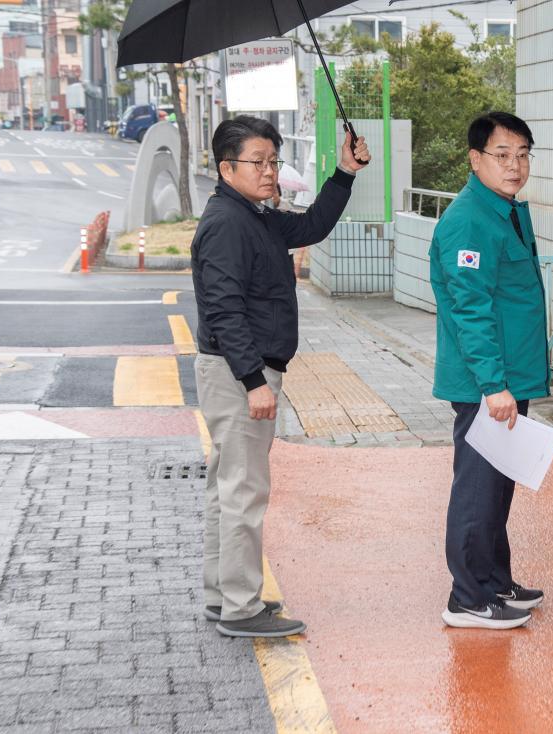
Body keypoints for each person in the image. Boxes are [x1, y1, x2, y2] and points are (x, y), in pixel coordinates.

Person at [192, 116, 370, 638]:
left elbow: (313, 226)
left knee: (227, 489)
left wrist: (344, 172)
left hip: (238, 370)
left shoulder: (256, 215)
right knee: (244, 492)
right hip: (237, 373)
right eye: (259, 162)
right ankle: (242, 608)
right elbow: (223, 310)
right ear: (227, 168)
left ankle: (223, 595)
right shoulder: (228, 222)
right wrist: (253, 381)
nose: (270, 171)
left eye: (273, 161)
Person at [430, 112, 549, 630]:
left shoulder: (503, 209)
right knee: (478, 487)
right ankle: (468, 597)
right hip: (488, 383)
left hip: (508, 377)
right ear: (475, 159)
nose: (515, 165)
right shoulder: (469, 220)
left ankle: (495, 579)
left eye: (523, 154)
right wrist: (493, 385)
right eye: (502, 155)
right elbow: (469, 308)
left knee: (499, 483)